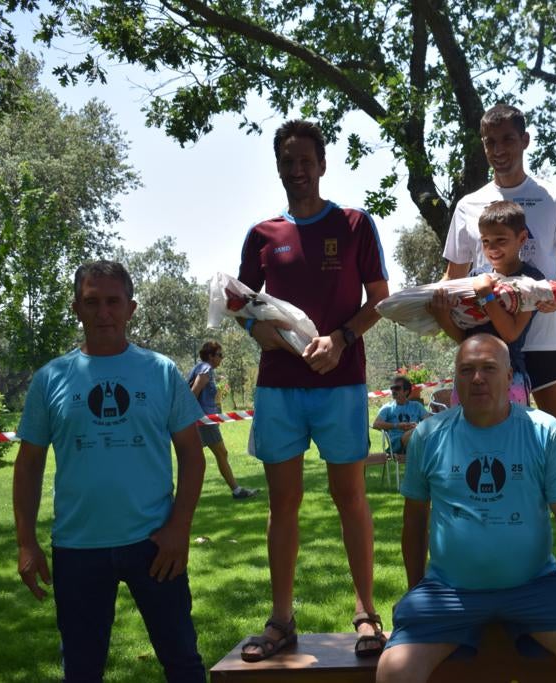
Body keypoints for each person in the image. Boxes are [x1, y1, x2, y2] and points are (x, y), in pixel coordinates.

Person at [376, 334, 556, 683]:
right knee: (394, 672)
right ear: (455, 379)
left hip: (535, 585)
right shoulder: (428, 436)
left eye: (489, 368)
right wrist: (417, 593)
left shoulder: (544, 432)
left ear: (509, 377)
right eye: (466, 369)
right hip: (449, 591)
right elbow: (413, 523)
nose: (477, 378)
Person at [236, 119, 390, 661]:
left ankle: (367, 612)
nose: (297, 170)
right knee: (283, 504)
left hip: (340, 384)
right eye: (287, 161)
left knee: (350, 496)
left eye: (306, 160)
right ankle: (281, 620)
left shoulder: (354, 225)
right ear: (278, 166)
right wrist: (267, 336)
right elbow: (244, 310)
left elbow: (379, 301)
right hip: (280, 388)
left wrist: (342, 338)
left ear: (322, 165)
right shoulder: (261, 236)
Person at [13, 260, 206, 682]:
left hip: (155, 544)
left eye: (113, 302)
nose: (103, 313)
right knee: (81, 669)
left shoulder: (160, 372)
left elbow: (193, 456)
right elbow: (27, 466)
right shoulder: (51, 379)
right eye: (92, 302)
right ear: (76, 308)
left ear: (131, 308)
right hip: (78, 547)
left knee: (182, 661)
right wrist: (27, 543)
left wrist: (179, 529)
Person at [442, 103, 556, 451]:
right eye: (490, 142)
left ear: (525, 140)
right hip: (490, 341)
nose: (499, 150)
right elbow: (453, 277)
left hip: (545, 338)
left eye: (507, 140)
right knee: (490, 444)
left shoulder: (555, 196)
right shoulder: (468, 205)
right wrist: (443, 316)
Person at [431, 199, 541, 405]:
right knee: (467, 436)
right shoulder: (475, 276)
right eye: (485, 241)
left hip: (508, 376)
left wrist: (486, 295)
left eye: (501, 240)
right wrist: (443, 317)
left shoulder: (531, 281)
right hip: (468, 376)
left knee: (509, 436)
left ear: (522, 238)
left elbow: (510, 334)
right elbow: (466, 338)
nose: (492, 248)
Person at [188, 341, 258, 499]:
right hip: (203, 420)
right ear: (210, 356)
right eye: (219, 355)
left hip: (202, 419)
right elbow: (193, 393)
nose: (222, 358)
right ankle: (236, 491)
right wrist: (193, 418)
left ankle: (235, 490)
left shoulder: (202, 368)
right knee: (218, 453)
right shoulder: (205, 369)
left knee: (199, 458)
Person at [373, 374, 431, 454]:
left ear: (406, 391)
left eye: (397, 388)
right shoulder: (387, 408)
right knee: (416, 433)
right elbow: (376, 424)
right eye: (392, 388)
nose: (393, 391)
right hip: (397, 443)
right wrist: (397, 425)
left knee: (424, 431)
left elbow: (429, 421)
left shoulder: (416, 406)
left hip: (416, 438)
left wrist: (418, 426)